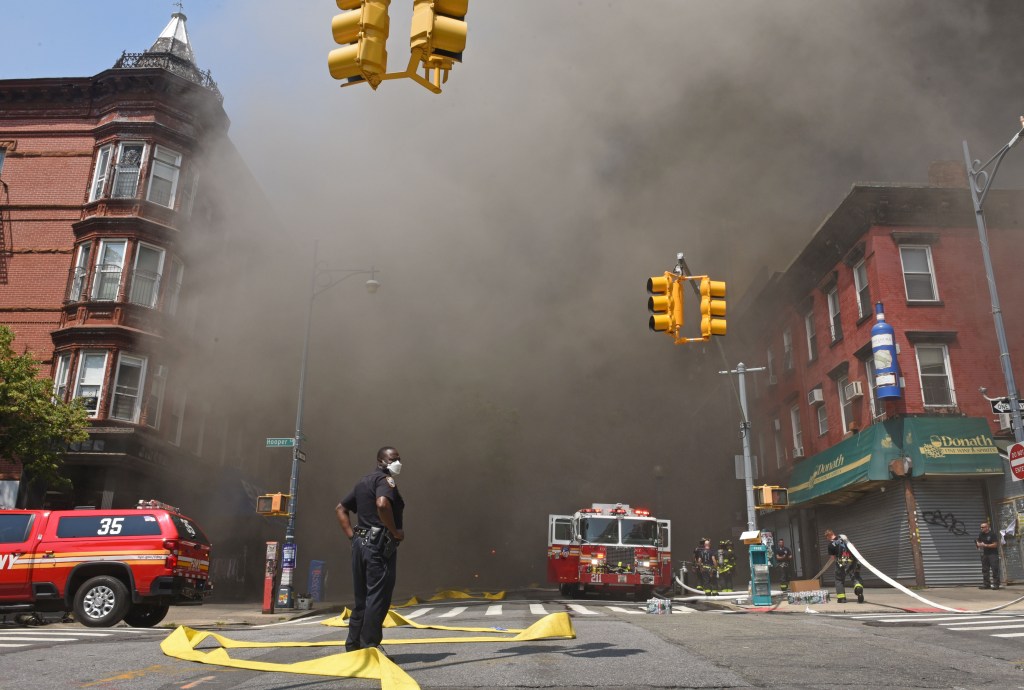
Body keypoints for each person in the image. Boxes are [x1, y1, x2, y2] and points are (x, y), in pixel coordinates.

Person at [336, 446, 406, 652]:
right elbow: (382, 504)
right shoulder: (385, 481)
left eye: (399, 459)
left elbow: (340, 508)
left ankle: (354, 645)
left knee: (361, 597)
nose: (398, 463)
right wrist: (394, 532)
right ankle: (371, 646)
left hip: (360, 544)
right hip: (378, 546)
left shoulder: (362, 482)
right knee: (378, 596)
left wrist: (352, 537)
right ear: (380, 461)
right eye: (393, 459)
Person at [824, 529, 863, 604]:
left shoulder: (830, 545)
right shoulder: (843, 538)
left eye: (827, 538)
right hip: (853, 560)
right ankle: (859, 589)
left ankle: (841, 598)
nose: (827, 539)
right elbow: (852, 546)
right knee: (855, 576)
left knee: (839, 580)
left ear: (828, 536)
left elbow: (833, 558)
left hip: (841, 563)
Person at [976, 521, 1000, 590]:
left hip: (993, 554)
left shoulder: (992, 534)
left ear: (987, 527)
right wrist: (978, 544)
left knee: (995, 569)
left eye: (983, 527)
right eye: (981, 527)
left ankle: (996, 584)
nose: (981, 528)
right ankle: (986, 584)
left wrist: (985, 545)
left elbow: (995, 545)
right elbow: (979, 541)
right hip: (985, 554)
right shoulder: (981, 534)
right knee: (985, 570)